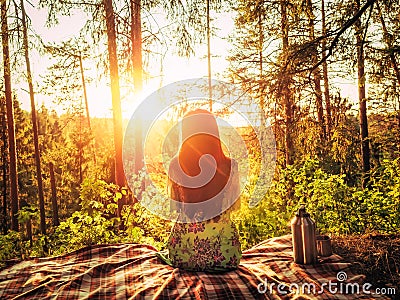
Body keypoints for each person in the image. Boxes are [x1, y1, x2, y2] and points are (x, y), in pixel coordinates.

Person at [158, 109, 242, 272]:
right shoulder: (231, 165)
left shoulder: (175, 165)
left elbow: (175, 208)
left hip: (182, 256)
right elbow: (235, 207)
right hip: (224, 256)